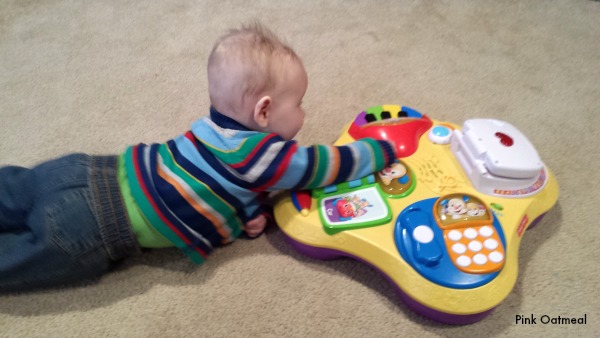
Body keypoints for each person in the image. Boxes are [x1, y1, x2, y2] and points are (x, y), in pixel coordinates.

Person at [0, 23, 396, 292]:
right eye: (300, 104)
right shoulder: (263, 154)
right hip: (91, 227)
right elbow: (320, 167)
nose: (305, 115)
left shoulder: (210, 131)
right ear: (263, 112)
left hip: (85, 171)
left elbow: (207, 189)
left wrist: (243, 217)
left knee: (13, 191)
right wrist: (380, 150)